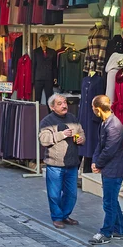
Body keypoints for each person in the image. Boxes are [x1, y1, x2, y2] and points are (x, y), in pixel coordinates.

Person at [38, 94, 86, 229]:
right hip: (55, 164)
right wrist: (62, 135)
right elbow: (43, 139)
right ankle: (57, 217)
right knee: (54, 194)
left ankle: (65, 215)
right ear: (52, 107)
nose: (64, 105)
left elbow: (81, 132)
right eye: (59, 103)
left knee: (71, 194)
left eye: (65, 102)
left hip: (71, 163)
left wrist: (81, 139)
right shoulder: (47, 121)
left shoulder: (72, 118)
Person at [89, 95, 123, 244]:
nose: (92, 111)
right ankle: (120, 230)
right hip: (109, 167)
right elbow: (100, 145)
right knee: (112, 200)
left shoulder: (114, 126)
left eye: (93, 108)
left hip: (114, 169)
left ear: (98, 109)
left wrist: (98, 164)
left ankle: (106, 232)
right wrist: (95, 161)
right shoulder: (105, 122)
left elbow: (109, 150)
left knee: (108, 202)